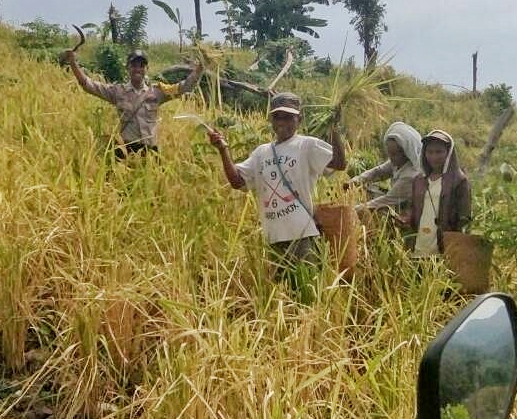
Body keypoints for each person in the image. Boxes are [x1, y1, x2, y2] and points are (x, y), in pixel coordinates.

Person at [207, 92, 346, 276]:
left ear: (299, 119)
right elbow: (237, 182)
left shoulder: (307, 145)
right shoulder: (261, 153)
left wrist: (334, 129)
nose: (282, 122)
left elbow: (339, 164)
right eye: (277, 117)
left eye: (288, 117)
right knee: (283, 295)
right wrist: (223, 150)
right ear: (271, 120)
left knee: (306, 293)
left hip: (302, 235)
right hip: (274, 237)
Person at [65, 47, 203, 158]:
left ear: (146, 69)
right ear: (128, 68)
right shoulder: (117, 91)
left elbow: (184, 86)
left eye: (142, 65)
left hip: (150, 152)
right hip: (126, 151)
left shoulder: (158, 92)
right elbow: (88, 85)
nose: (138, 69)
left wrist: (200, 67)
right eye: (134, 65)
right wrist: (73, 63)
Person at [409, 129, 471, 257]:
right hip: (419, 245)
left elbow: (464, 218)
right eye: (429, 152)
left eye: (439, 152)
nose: (434, 157)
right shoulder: (419, 180)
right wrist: (405, 219)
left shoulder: (459, 181)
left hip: (444, 248)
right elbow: (413, 209)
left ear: (448, 153)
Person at [345, 122, 423, 216]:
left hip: (408, 212)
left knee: (380, 208)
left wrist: (352, 210)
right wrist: (353, 182)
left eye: (394, 154)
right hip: (394, 200)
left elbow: (386, 200)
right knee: (369, 189)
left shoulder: (410, 175)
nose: (390, 157)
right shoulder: (398, 161)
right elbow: (378, 172)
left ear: (406, 153)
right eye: (389, 153)